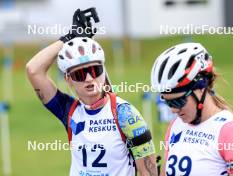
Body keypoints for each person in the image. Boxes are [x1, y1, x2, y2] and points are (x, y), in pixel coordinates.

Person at [26, 20, 157, 176]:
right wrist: (67, 39)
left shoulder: (124, 113)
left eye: (95, 70)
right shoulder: (69, 110)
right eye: (79, 74)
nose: (89, 78)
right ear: (68, 79)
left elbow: (149, 171)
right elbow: (33, 70)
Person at [150, 42, 233, 176]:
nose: (173, 110)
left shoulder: (232, 132)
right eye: (167, 102)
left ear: (201, 87)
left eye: (178, 101)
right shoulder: (176, 125)